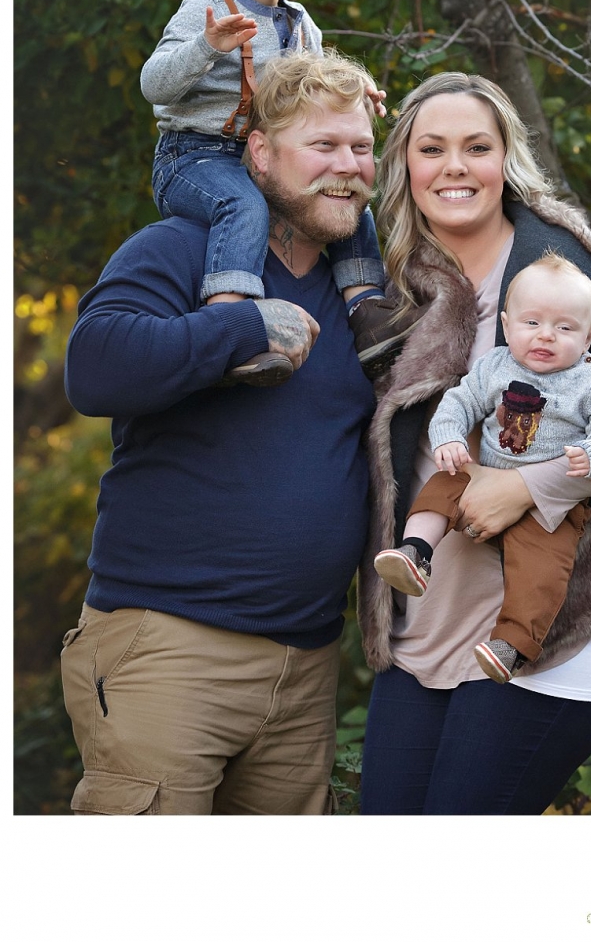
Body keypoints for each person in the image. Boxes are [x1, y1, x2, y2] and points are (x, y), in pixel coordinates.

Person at [356, 71, 591, 815]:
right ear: (403, 163)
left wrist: (527, 485)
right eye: (432, 147)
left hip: (554, 627)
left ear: (505, 157)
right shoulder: (393, 285)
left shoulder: (556, 265)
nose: (454, 166)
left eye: (477, 147)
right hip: (430, 624)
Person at [61, 48, 380, 815]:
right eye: (324, 146)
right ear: (261, 155)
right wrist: (237, 327)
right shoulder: (180, 248)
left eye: (362, 148)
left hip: (307, 669)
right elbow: (94, 369)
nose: (348, 167)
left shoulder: (365, 291)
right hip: (169, 652)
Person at [141, 0, 407, 385]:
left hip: (261, 158)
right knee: (240, 206)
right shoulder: (207, 11)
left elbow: (315, 93)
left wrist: (357, 96)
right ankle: (229, 320)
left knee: (345, 194)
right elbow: (154, 84)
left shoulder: (302, 24)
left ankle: (365, 309)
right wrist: (205, 48)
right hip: (194, 156)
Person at [373, 252, 591, 684]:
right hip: (483, 475)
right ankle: (416, 552)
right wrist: (450, 438)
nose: (545, 336)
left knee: (544, 574)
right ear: (508, 325)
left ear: (588, 339)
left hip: (550, 506)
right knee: (444, 483)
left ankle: (510, 645)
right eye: (532, 323)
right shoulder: (495, 365)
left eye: (564, 328)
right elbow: (458, 402)